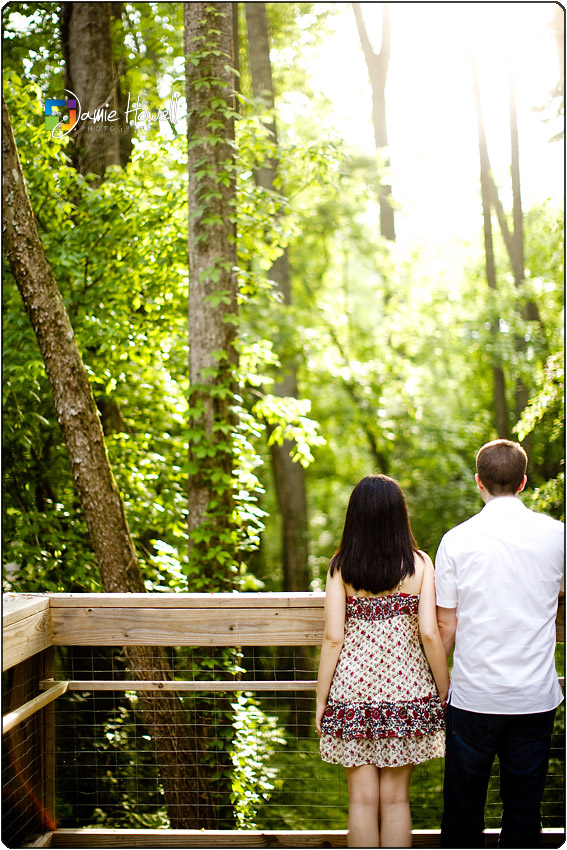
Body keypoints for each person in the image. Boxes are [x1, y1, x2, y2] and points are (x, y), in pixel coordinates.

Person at [435, 439, 564, 849]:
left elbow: (445, 625)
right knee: (525, 812)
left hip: (473, 696)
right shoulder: (557, 536)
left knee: (461, 812)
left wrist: (440, 685)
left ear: (479, 482)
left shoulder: (455, 540)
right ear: (523, 482)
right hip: (534, 696)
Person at [316, 474, 449, 848]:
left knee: (360, 800)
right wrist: (443, 690)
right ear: (398, 515)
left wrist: (321, 700)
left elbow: (333, 637)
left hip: (352, 692)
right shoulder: (420, 564)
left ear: (355, 516)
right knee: (395, 800)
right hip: (407, 691)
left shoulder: (341, 566)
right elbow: (429, 632)